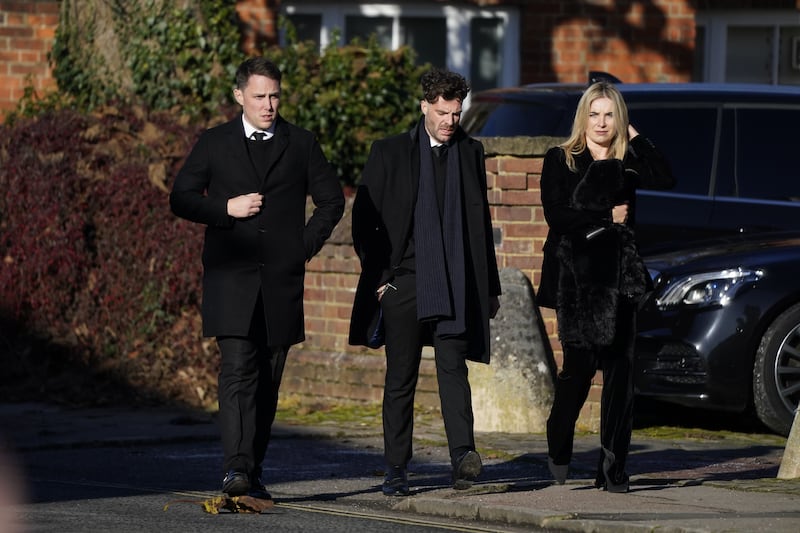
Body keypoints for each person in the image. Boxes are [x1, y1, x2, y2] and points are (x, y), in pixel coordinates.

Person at [169, 57, 344, 500]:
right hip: (231, 278)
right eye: (260, 96)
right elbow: (182, 198)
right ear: (239, 96)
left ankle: (253, 468)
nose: (269, 104)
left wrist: (300, 248)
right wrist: (224, 209)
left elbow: (330, 203)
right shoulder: (214, 142)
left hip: (280, 282)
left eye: (275, 95)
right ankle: (235, 469)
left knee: (267, 381)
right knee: (237, 370)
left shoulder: (301, 143)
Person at [349, 68, 502, 496]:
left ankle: (462, 460)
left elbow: (480, 221)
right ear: (424, 106)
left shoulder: (470, 152)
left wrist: (489, 287)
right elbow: (365, 221)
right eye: (441, 112)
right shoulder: (390, 152)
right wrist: (381, 279)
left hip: (455, 280)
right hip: (405, 282)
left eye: (455, 113)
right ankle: (396, 468)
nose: (449, 121)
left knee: (454, 370)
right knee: (401, 378)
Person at [537, 81, 675, 493]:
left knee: (621, 375)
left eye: (609, 115)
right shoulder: (561, 159)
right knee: (577, 373)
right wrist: (604, 217)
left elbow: (666, 176)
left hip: (622, 280)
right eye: (593, 114)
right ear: (583, 117)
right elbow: (557, 216)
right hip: (577, 282)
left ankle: (613, 470)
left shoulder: (628, 161)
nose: (601, 123)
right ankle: (558, 443)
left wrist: (635, 136)